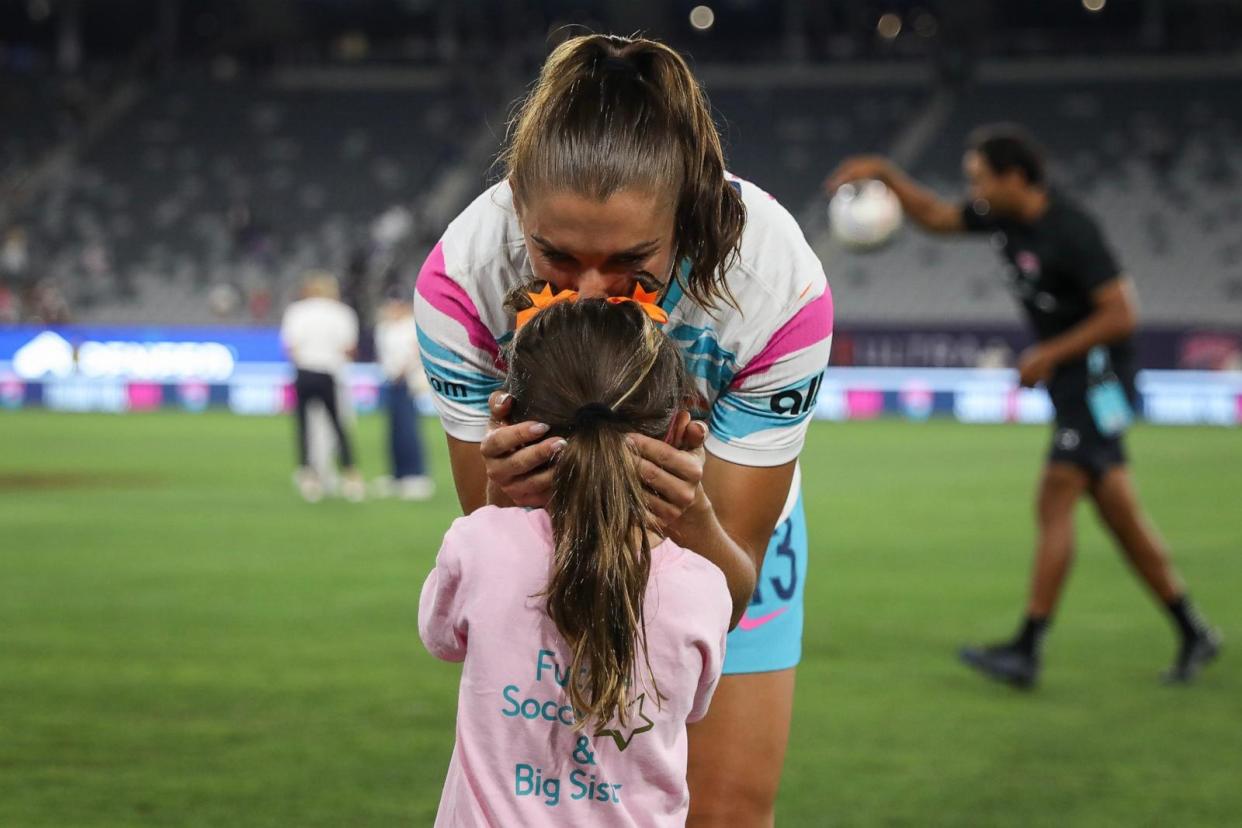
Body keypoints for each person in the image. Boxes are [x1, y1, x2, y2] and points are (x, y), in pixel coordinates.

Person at [414, 34, 833, 824]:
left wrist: (698, 519)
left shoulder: (778, 284)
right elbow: (490, 528)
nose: (592, 292)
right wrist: (507, 492)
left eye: (632, 259)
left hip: (714, 534)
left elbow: (732, 589)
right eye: (557, 256)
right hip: (554, 543)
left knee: (727, 815)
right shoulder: (463, 279)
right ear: (518, 209)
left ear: (688, 216)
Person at [827, 124, 1220, 687]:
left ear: (1015, 176)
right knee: (1120, 518)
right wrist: (887, 174)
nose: (975, 190)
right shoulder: (1004, 217)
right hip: (1072, 384)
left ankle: (1027, 648)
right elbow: (938, 218)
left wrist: (1047, 354)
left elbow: (1121, 314)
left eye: (980, 178)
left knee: (1054, 499)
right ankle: (1192, 631)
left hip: (1099, 380)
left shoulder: (1072, 230)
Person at [419, 294, 732, 825]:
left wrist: (500, 498)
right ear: (678, 430)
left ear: (512, 417)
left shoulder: (478, 543)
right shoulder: (704, 586)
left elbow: (442, 638)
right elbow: (693, 706)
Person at [279, 271, 364, 503]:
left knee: (304, 426)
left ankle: (309, 476)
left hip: (304, 371)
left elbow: (290, 346)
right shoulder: (342, 313)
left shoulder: (296, 311)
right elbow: (349, 347)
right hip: (329, 372)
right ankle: (350, 476)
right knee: (338, 425)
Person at [374, 287, 434, 500]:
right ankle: (398, 474)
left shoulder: (410, 326)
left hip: (406, 382)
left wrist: (401, 371)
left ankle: (416, 474)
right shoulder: (385, 328)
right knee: (394, 429)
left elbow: (413, 352)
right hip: (390, 380)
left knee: (408, 429)